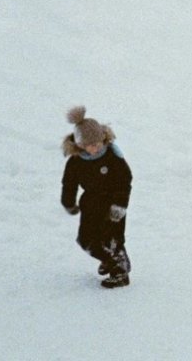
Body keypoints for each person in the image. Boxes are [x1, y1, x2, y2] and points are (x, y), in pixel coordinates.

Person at [61, 105, 132, 288]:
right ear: (81, 145)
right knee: (86, 239)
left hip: (112, 204)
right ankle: (108, 259)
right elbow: (69, 183)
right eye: (91, 145)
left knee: (112, 239)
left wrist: (120, 204)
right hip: (90, 204)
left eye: (99, 143)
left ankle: (120, 272)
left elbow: (124, 180)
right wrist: (69, 202)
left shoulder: (112, 156)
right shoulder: (76, 161)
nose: (97, 148)